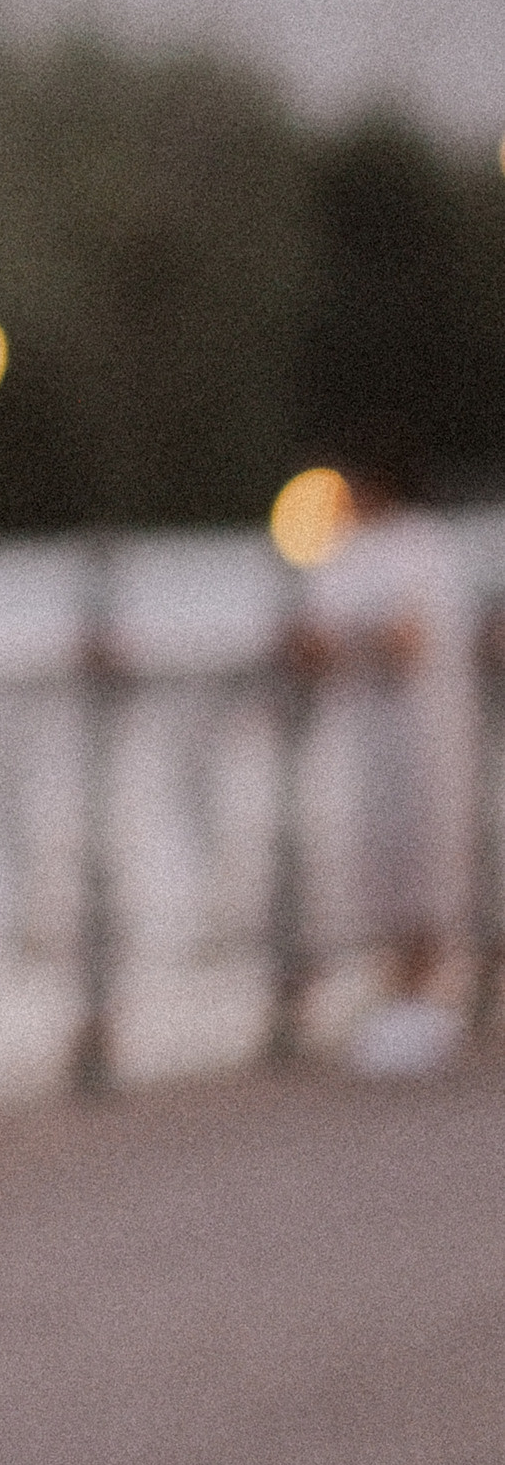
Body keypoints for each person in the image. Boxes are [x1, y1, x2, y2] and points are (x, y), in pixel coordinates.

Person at [284, 449, 465, 1077]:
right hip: (361, 743)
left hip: (419, 738)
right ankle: (397, 999)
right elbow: (310, 643)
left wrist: (348, 643)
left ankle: (425, 1000)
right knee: (374, 866)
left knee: (424, 861)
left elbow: (406, 640)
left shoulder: (417, 544)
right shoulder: (343, 553)